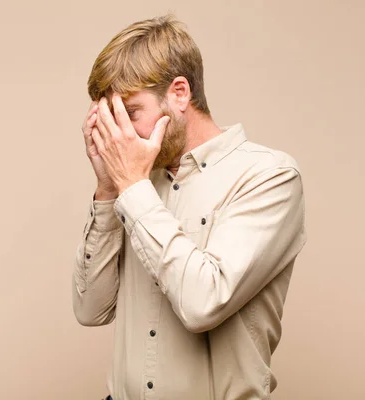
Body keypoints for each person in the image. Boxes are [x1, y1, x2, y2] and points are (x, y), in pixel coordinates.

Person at [72, 14, 307, 400]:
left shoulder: (269, 176)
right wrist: (108, 187)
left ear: (179, 94)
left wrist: (131, 185)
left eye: (130, 114)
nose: (121, 135)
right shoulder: (137, 183)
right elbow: (90, 310)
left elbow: (204, 303)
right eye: (111, 119)